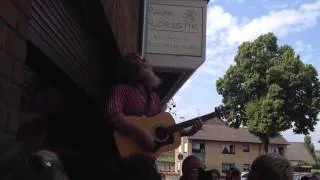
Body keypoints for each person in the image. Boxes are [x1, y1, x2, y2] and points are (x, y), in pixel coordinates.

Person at [105, 53, 203, 154]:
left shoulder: (154, 98)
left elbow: (162, 130)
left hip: (146, 159)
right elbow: (113, 115)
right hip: (121, 153)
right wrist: (139, 132)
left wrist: (188, 132)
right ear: (130, 67)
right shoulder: (122, 90)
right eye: (140, 59)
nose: (145, 62)